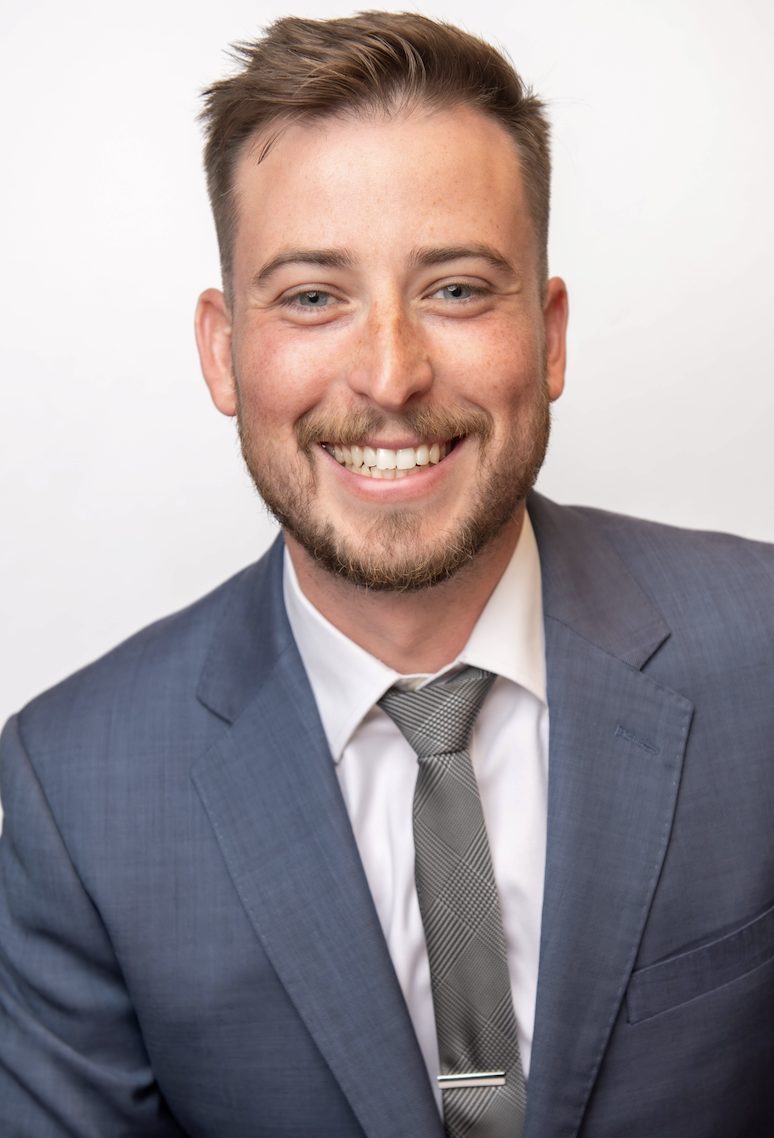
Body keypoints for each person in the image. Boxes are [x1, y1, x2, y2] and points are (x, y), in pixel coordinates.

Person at [1, 10, 772, 1137]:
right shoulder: (77, 795)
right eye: (313, 296)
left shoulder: (762, 655)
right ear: (224, 351)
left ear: (549, 336)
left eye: (457, 288)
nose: (391, 374)